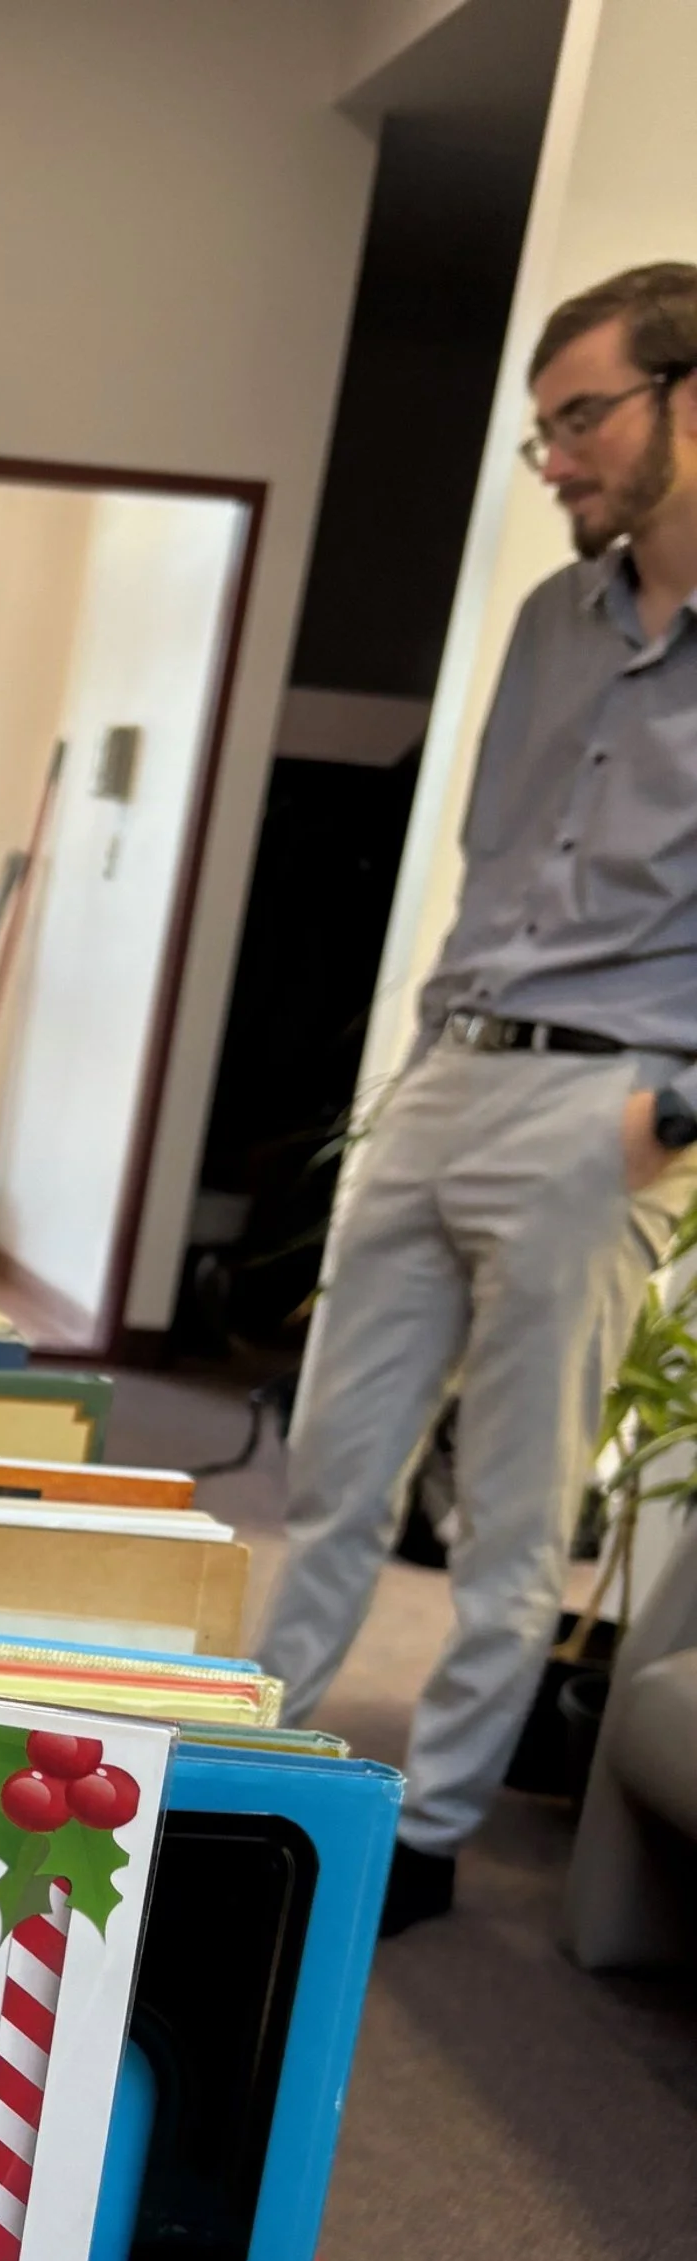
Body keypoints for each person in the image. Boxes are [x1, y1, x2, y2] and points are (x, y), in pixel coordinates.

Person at [259, 261, 697, 1935]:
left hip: (604, 1113)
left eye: (581, 418)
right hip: (451, 1072)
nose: (560, 459)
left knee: (516, 1513)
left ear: (685, 395)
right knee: (336, 1465)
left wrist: (674, 1113)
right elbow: (494, 859)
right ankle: (272, 1777)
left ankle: (421, 1839)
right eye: (546, 433)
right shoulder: (547, 624)